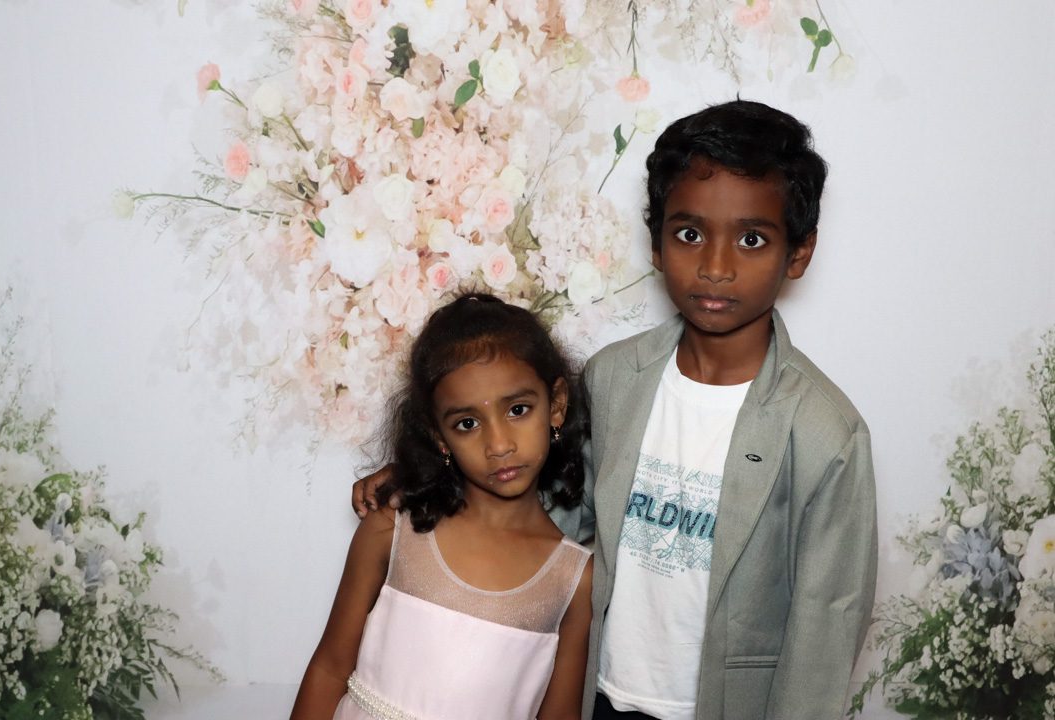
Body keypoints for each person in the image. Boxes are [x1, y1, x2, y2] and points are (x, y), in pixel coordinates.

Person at [355, 99, 877, 720]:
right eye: (689, 234)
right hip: (595, 694)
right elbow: (544, 503)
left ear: (798, 253)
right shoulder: (613, 378)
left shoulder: (824, 433)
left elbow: (825, 630)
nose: (715, 266)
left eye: (751, 239)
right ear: (656, 242)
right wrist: (425, 479)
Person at [292, 293, 593, 720]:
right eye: (467, 423)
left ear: (556, 405)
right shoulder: (392, 529)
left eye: (518, 409)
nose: (499, 444)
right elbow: (329, 668)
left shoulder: (573, 579)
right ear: (439, 435)